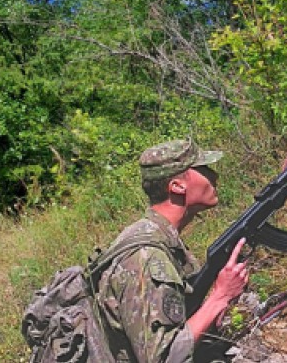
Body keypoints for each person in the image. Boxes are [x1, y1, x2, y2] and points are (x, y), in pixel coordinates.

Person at [95, 138, 249, 362]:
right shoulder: (146, 258)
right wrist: (221, 296)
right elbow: (161, 357)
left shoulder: (160, 240)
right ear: (177, 186)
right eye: (203, 169)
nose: (214, 176)